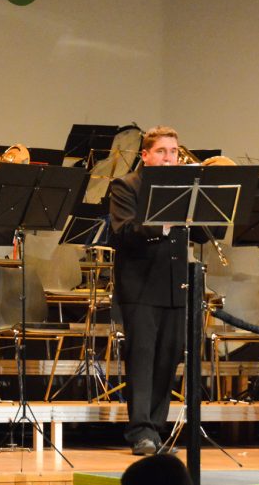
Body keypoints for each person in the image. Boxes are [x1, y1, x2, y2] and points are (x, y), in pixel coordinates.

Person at [108, 126, 214, 456]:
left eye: (174, 152)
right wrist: (165, 220)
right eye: (162, 152)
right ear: (146, 155)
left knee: (169, 358)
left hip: (175, 285)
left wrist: (207, 204)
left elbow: (203, 235)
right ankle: (139, 430)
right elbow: (124, 232)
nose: (169, 158)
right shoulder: (126, 186)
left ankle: (156, 429)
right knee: (142, 359)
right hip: (140, 286)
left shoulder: (185, 188)